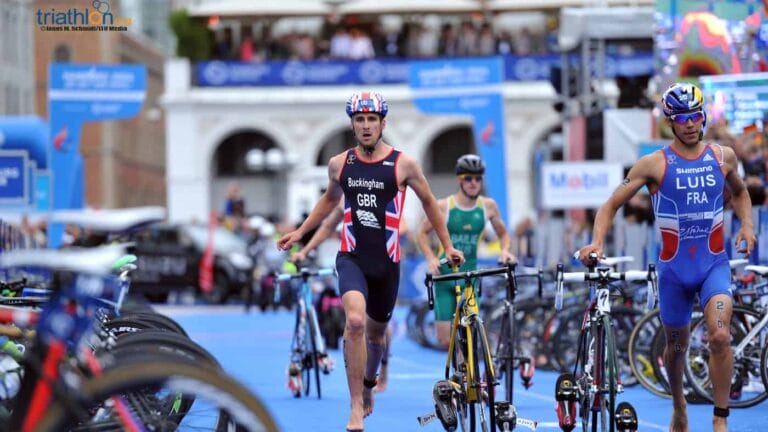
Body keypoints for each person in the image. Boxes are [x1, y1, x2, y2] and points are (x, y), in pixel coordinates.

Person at [278, 91, 464, 432]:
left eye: (371, 120)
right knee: (354, 322)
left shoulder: (403, 164)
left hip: (387, 264)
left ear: (382, 123)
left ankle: (368, 385)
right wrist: (300, 232)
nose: (365, 126)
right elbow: (329, 201)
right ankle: (354, 406)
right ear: (353, 125)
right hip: (352, 258)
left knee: (377, 338)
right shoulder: (340, 164)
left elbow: (429, 203)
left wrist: (447, 245)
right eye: (360, 120)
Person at [576, 83, 756, 432]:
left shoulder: (723, 156)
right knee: (676, 348)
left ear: (703, 118)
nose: (690, 124)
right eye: (682, 118)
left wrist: (747, 226)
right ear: (670, 122)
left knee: (720, 337)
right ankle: (679, 405)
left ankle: (720, 418)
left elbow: (741, 192)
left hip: (713, 265)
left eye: (695, 116)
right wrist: (596, 242)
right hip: (674, 271)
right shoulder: (654, 164)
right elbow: (610, 204)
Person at [290, 202, 393, 393]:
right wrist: (304, 251)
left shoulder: (385, 196)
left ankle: (383, 368)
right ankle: (359, 390)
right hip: (352, 269)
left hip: (381, 266)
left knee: (380, 329)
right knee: (355, 321)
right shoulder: (345, 202)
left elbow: (399, 225)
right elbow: (327, 225)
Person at [416, 154, 516, 349]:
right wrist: (430, 258)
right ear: (459, 180)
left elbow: (504, 234)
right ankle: (457, 361)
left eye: (478, 178)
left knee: (470, 333)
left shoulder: (488, 206)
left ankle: (466, 366)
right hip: (445, 277)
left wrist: (505, 251)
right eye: (468, 178)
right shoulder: (444, 206)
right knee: (444, 338)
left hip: (470, 277)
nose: (473, 183)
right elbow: (421, 233)